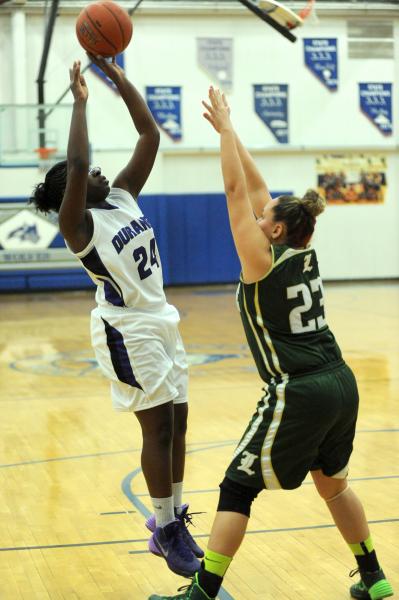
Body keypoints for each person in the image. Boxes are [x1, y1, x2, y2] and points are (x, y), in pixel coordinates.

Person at [149, 87, 394, 600]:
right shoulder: (300, 247)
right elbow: (259, 192)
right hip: (339, 381)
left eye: (265, 219)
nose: (256, 219)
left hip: (297, 389)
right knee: (334, 484)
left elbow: (239, 192)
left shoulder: (259, 261)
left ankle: (202, 592)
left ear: (276, 229)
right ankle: (374, 579)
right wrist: (232, 128)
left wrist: (223, 134)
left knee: (238, 486)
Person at [29, 57, 203, 578]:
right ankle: (164, 526)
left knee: (181, 424)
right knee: (158, 430)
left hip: (162, 320)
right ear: (71, 192)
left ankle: (172, 519)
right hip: (127, 330)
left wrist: (120, 81)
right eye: (89, 174)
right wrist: (80, 102)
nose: (101, 171)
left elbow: (149, 134)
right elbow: (79, 165)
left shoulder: (123, 197)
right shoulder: (77, 224)